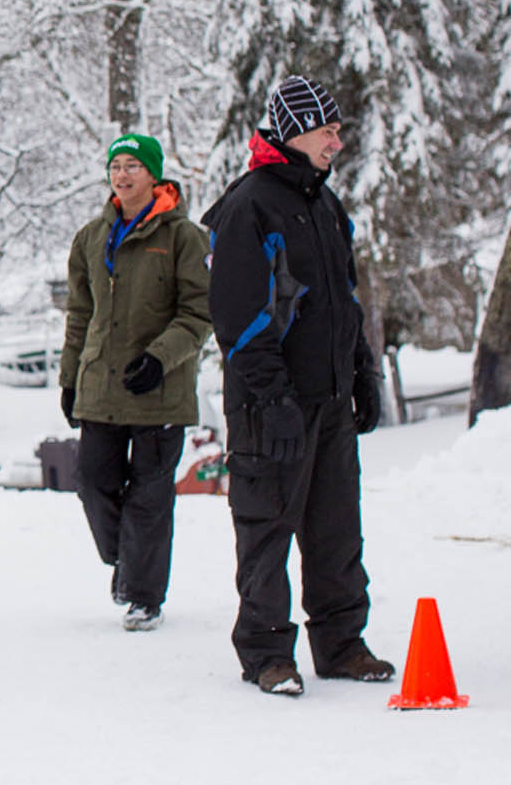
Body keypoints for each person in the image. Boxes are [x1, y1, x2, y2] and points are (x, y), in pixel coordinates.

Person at [202, 75, 392, 697]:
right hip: (269, 404)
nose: (337, 140)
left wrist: (361, 370)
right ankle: (265, 652)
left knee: (336, 525)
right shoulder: (250, 205)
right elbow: (238, 317)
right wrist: (272, 397)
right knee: (266, 526)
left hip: (330, 395)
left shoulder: (324, 205)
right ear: (292, 131)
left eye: (339, 130)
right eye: (327, 129)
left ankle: (341, 644)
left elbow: (344, 300)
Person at [58, 133, 212, 633]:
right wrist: (69, 379)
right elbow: (79, 316)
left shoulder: (184, 238)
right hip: (102, 386)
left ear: (154, 174)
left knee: (150, 495)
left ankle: (144, 595)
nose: (122, 176)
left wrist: (160, 358)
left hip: (159, 389)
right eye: (115, 167)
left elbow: (200, 311)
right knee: (93, 483)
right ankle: (127, 561)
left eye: (133, 167)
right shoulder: (90, 238)